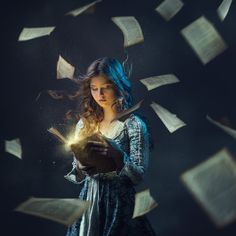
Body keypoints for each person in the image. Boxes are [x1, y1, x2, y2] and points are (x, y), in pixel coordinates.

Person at [64, 57, 156, 236]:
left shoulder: (134, 125)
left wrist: (117, 155)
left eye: (105, 87)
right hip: (89, 201)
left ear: (118, 85)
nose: (100, 95)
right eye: (94, 89)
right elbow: (77, 171)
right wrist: (82, 167)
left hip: (119, 204)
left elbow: (138, 176)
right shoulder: (84, 125)